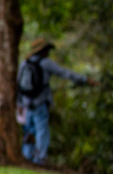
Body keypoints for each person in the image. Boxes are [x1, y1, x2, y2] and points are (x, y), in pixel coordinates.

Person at [17, 37, 97, 165]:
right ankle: (39, 159)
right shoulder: (45, 63)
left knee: (29, 131)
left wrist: (19, 103)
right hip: (40, 103)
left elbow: (19, 85)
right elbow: (65, 73)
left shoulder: (24, 63)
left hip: (25, 104)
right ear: (43, 51)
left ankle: (27, 156)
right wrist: (84, 80)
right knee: (42, 130)